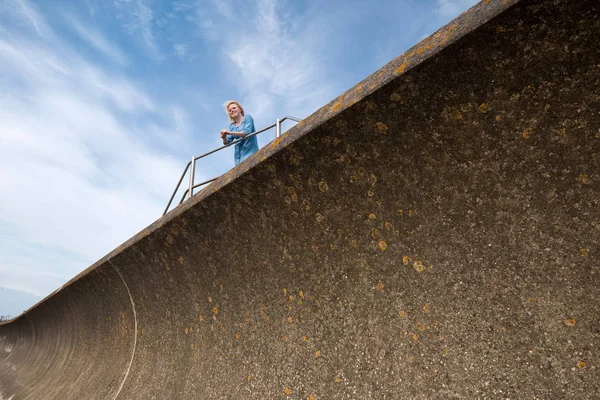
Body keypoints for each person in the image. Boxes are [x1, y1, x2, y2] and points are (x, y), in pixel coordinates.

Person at [220, 101, 258, 166]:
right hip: (238, 158)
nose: (232, 110)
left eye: (234, 108)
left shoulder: (247, 117)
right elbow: (227, 142)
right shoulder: (232, 126)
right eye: (230, 110)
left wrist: (229, 132)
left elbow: (246, 132)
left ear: (240, 109)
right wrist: (224, 138)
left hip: (250, 153)